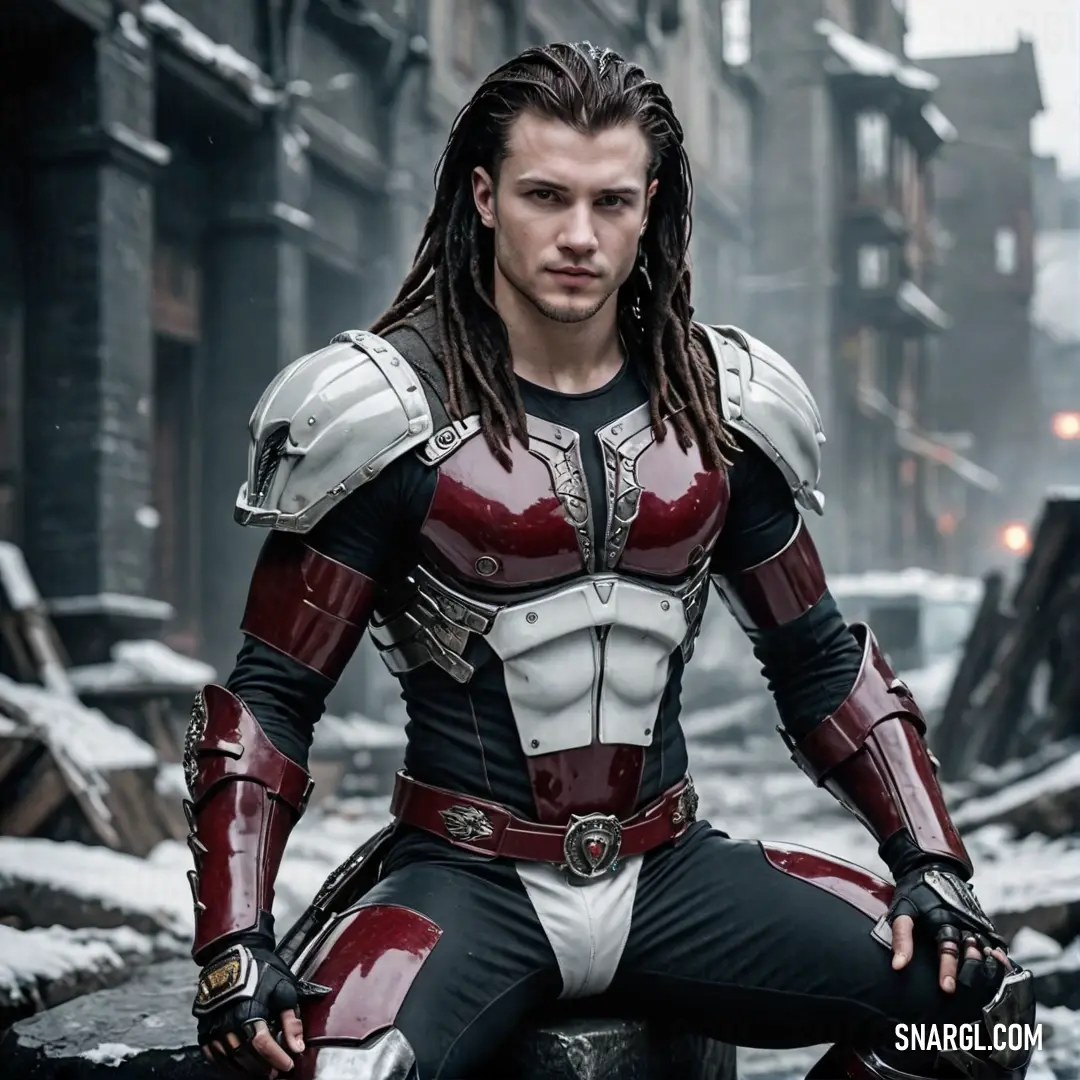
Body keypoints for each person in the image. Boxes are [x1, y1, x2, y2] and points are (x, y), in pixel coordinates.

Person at [183, 42, 1034, 1080]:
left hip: (671, 873)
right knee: (340, 1076)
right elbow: (274, 693)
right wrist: (233, 940)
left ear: (652, 207)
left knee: (977, 1021)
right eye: (547, 195)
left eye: (612, 202)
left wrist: (932, 866)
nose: (579, 235)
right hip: (465, 880)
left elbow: (818, 660)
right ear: (486, 198)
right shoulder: (383, 417)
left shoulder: (723, 412)